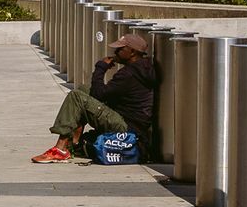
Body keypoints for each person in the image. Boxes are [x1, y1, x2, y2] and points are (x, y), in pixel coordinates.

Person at [32, 31, 160, 163]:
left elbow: (98, 94)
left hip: (126, 127)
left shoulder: (128, 74)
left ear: (132, 52)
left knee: (77, 97)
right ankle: (72, 143)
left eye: (120, 49)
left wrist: (100, 68)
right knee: (83, 90)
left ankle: (60, 149)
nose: (115, 52)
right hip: (131, 121)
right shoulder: (142, 68)